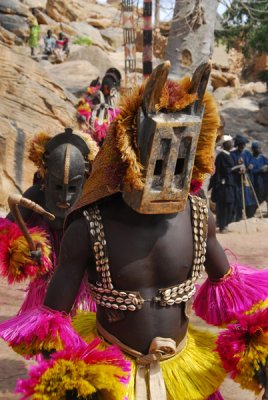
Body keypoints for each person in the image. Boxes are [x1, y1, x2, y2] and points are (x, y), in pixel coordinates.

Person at [1, 63, 268, 400]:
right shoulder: (88, 226)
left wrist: (260, 355)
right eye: (162, 151)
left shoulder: (201, 217)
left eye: (182, 152)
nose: (170, 166)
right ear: (132, 148)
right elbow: (52, 324)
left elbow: (239, 303)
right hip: (115, 376)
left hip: (185, 372)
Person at [0, 128, 98, 314]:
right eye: (58, 186)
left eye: (72, 188)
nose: (64, 197)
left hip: (82, 285)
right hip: (44, 284)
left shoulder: (91, 199)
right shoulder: (36, 195)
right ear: (46, 177)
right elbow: (6, 232)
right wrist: (27, 249)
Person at [77, 68, 121, 145]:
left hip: (105, 121)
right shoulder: (97, 94)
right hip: (94, 122)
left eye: (108, 88)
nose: (106, 90)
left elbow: (112, 109)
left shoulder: (110, 96)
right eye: (105, 87)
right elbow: (86, 102)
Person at [210, 135, 235, 233]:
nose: (232, 144)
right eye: (230, 143)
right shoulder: (221, 156)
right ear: (226, 145)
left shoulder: (228, 155)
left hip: (230, 184)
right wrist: (235, 168)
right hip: (223, 185)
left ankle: (226, 224)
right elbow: (225, 170)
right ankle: (221, 226)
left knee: (229, 204)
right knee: (223, 205)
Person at [231, 134, 256, 220]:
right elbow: (231, 166)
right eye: (240, 145)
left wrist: (250, 166)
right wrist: (238, 169)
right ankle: (237, 217)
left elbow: (252, 162)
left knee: (248, 197)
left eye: (243, 145)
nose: (242, 146)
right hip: (236, 180)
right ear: (237, 145)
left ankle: (249, 215)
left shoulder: (248, 154)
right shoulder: (232, 154)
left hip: (247, 179)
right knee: (238, 198)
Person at [251, 140, 268, 207]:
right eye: (258, 148)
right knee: (258, 197)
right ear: (253, 149)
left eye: (260, 147)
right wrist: (260, 170)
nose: (260, 149)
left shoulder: (263, 158)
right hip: (256, 182)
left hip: (264, 181)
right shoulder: (250, 158)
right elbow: (250, 170)